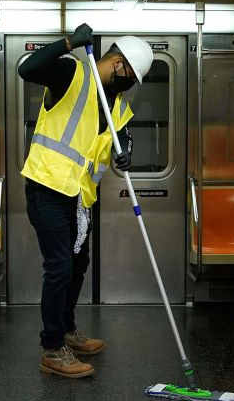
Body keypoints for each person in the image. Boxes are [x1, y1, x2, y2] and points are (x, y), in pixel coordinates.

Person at [19, 23, 153, 378]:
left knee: (78, 264)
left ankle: (66, 330)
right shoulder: (72, 74)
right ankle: (52, 349)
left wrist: (125, 155)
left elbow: (121, 141)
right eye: (131, 76)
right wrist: (67, 44)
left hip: (80, 195)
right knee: (60, 266)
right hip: (48, 185)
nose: (129, 84)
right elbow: (26, 69)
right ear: (119, 63)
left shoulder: (118, 106)